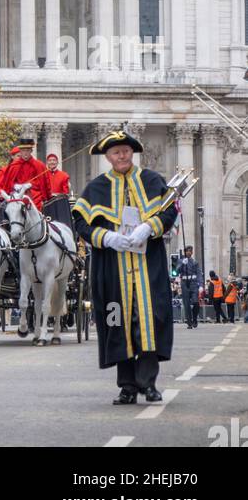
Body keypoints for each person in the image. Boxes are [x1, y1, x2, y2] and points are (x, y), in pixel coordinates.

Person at [73, 129, 177, 405]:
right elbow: (81, 223)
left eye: (126, 151)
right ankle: (127, 386)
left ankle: (149, 384)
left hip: (148, 267)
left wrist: (149, 227)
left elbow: (170, 210)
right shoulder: (96, 188)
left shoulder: (152, 180)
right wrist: (106, 237)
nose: (122, 155)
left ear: (133, 153)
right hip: (111, 269)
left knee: (150, 321)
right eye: (116, 152)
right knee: (117, 322)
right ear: (107, 157)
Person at [0, 139, 52, 209]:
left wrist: (31, 184)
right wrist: (15, 186)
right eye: (23, 151)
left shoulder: (40, 165)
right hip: (17, 195)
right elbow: (7, 185)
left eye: (27, 150)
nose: (25, 153)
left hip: (35, 197)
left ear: (31, 151)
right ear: (20, 151)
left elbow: (46, 185)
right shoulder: (13, 166)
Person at [178, 245, 201, 329]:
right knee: (186, 304)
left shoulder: (195, 262)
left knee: (196, 302)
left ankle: (194, 318)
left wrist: (201, 285)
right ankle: (189, 323)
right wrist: (182, 264)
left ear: (192, 252)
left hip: (193, 283)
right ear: (185, 252)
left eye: (190, 251)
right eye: (187, 251)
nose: (189, 252)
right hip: (184, 283)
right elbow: (177, 271)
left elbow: (199, 273)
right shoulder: (181, 261)